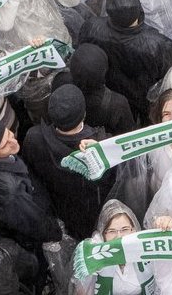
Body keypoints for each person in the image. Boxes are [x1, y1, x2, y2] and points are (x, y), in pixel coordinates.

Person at [77, 0, 172, 123]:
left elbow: (83, 54)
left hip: (110, 92)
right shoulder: (157, 45)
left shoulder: (92, 28)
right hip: (144, 98)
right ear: (138, 9)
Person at [21, 85, 109, 240]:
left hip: (59, 209)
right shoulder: (99, 147)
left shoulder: (33, 138)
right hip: (91, 211)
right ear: (84, 114)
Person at [0, 119, 62, 255]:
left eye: (8, 134)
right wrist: (55, 232)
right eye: (4, 146)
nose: (13, 143)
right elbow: (33, 222)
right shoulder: (11, 193)